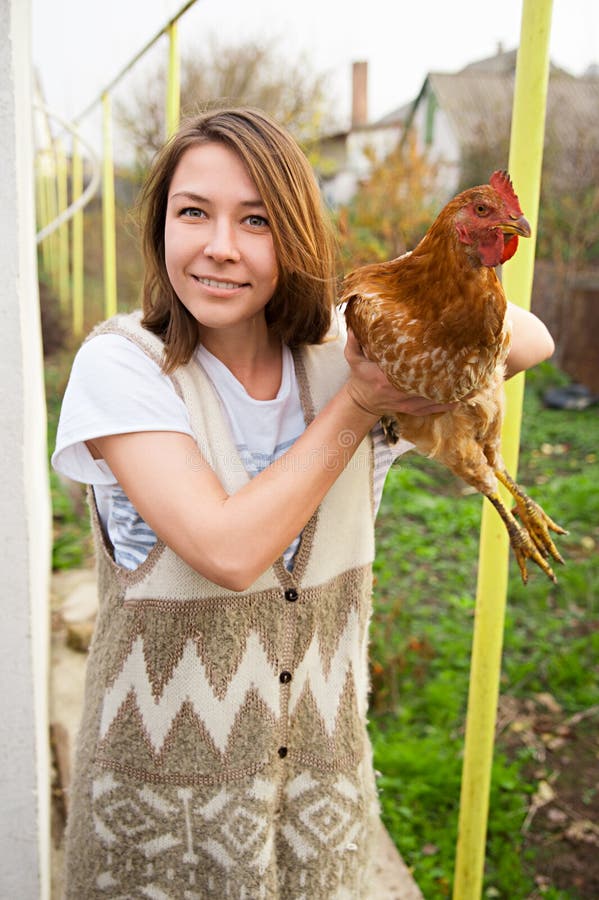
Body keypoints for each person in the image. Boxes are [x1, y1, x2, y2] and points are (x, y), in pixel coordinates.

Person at [52, 107, 554, 899]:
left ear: (295, 235)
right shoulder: (124, 367)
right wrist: (357, 404)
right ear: (158, 230)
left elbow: (531, 340)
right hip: (158, 830)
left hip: (320, 816)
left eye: (256, 220)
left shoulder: (348, 347)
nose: (220, 246)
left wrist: (418, 283)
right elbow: (226, 551)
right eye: (193, 213)